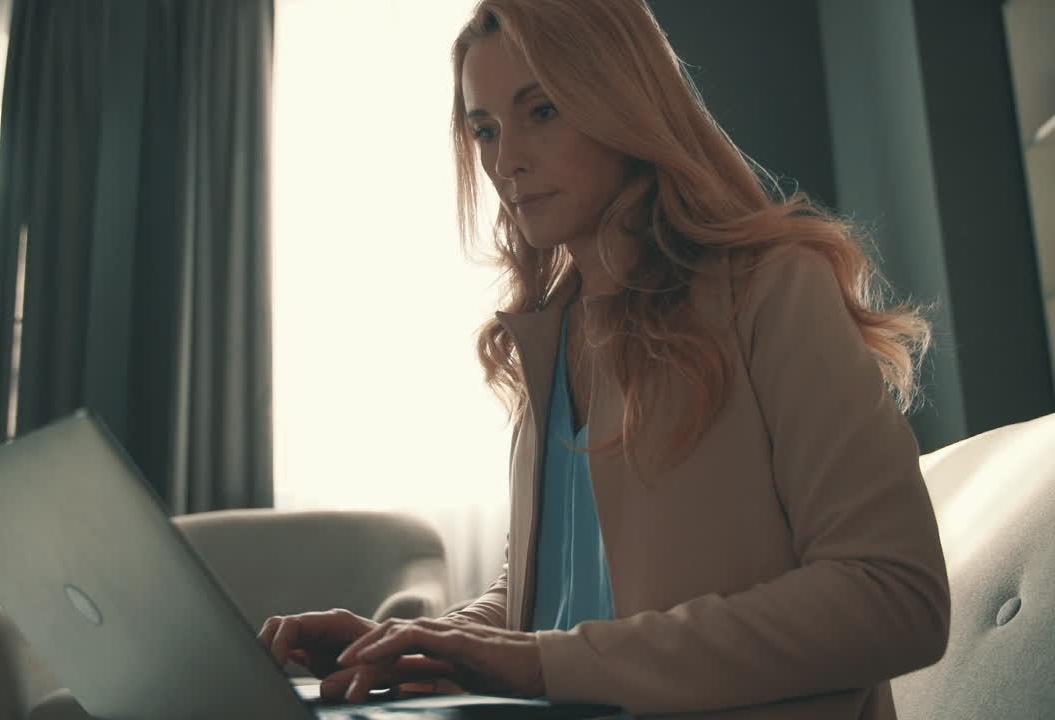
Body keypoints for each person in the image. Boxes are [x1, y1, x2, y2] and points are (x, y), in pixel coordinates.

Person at [258, 0, 950, 717]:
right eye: (485, 129)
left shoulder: (773, 288)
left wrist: (541, 663)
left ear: (622, 101)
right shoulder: (551, 331)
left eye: (543, 111)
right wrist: (411, 644)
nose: (506, 161)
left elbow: (895, 596)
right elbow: (552, 599)